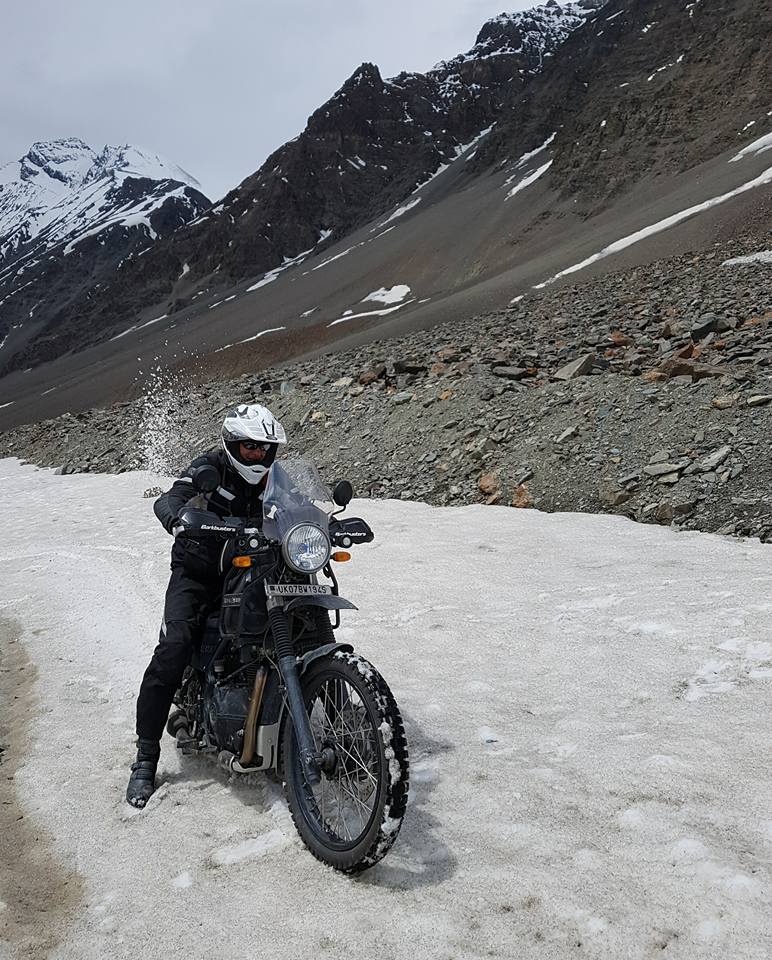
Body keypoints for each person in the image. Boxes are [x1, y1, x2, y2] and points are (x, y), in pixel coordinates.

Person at [126, 402, 286, 808]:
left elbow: (302, 503)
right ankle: (146, 757)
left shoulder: (275, 478)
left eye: (266, 448)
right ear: (232, 444)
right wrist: (178, 516)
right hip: (198, 572)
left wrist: (325, 522)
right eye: (251, 447)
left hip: (250, 568)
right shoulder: (209, 468)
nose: (260, 455)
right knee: (175, 646)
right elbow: (171, 497)